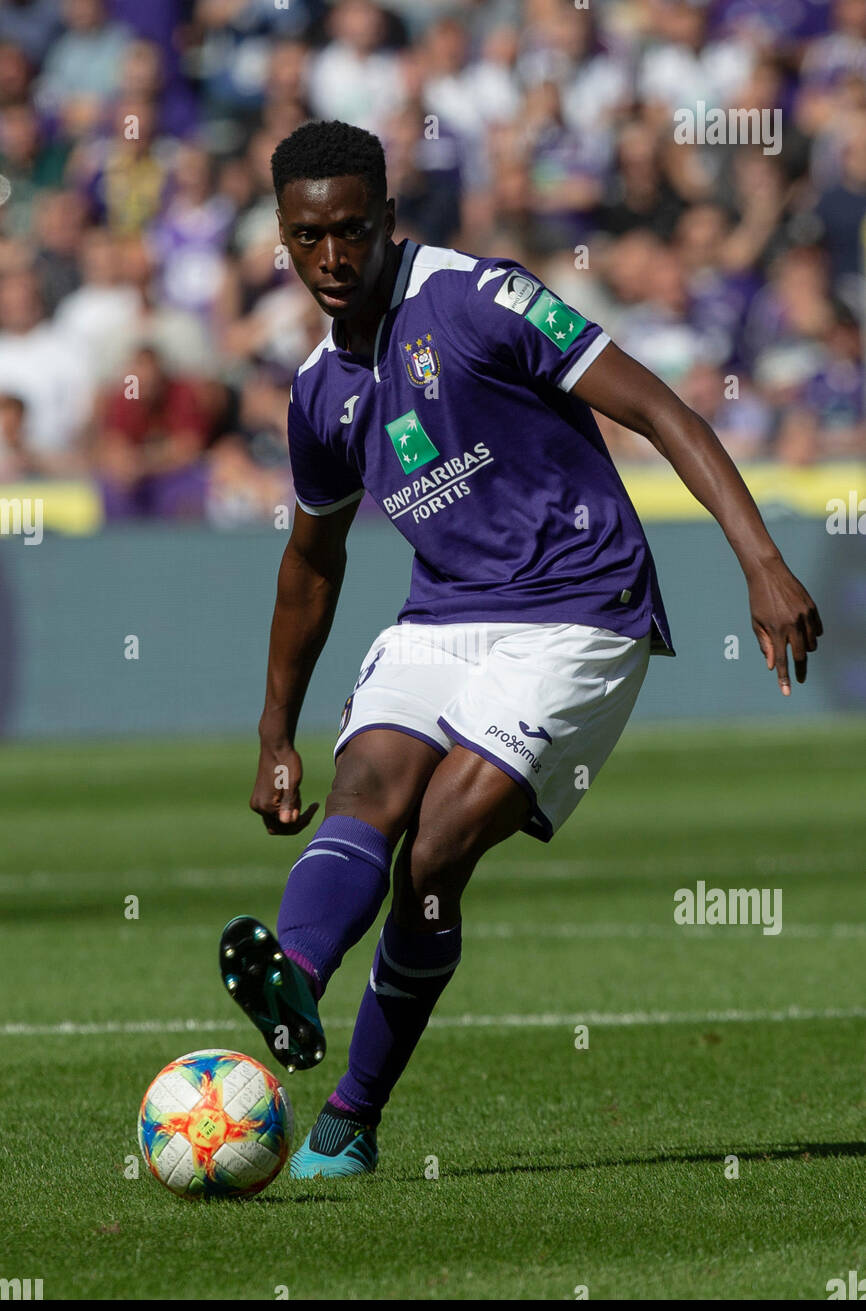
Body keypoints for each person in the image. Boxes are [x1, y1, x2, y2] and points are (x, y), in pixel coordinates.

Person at [220, 119, 822, 1178]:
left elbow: (659, 408)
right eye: (307, 237)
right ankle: (296, 986)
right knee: (367, 780)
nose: (330, 257)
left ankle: (350, 1115)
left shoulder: (474, 298)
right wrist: (275, 729)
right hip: (442, 614)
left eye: (351, 230)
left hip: (579, 609)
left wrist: (758, 561)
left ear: (388, 221)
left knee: (440, 847)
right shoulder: (320, 389)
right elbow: (311, 563)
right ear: (282, 235)